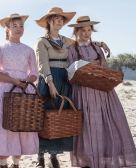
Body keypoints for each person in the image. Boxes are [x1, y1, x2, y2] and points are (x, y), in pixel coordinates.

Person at [67, 16, 136, 168]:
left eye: (89, 30)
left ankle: (107, 158)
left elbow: (105, 68)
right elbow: (70, 70)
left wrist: (99, 70)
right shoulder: (71, 49)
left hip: (102, 90)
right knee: (87, 125)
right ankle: (89, 160)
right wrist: (84, 68)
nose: (87, 33)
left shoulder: (97, 48)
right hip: (83, 91)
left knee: (109, 121)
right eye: (83, 30)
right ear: (76, 31)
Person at [0, 13, 39, 168]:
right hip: (4, 90)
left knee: (21, 124)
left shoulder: (28, 50)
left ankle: (16, 163)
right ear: (7, 29)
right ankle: (3, 163)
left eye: (21, 26)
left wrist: (26, 81)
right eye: (14, 26)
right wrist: (14, 81)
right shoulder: (0, 48)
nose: (19, 28)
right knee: (3, 125)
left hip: (23, 90)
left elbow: (34, 73)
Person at [35, 7, 76, 168]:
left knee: (60, 115)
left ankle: (54, 156)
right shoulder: (42, 41)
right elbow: (42, 64)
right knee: (46, 116)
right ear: (49, 21)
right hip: (49, 79)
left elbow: (83, 43)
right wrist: (50, 83)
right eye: (56, 18)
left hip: (64, 79)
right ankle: (40, 155)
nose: (59, 21)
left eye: (61, 19)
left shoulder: (66, 41)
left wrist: (99, 43)